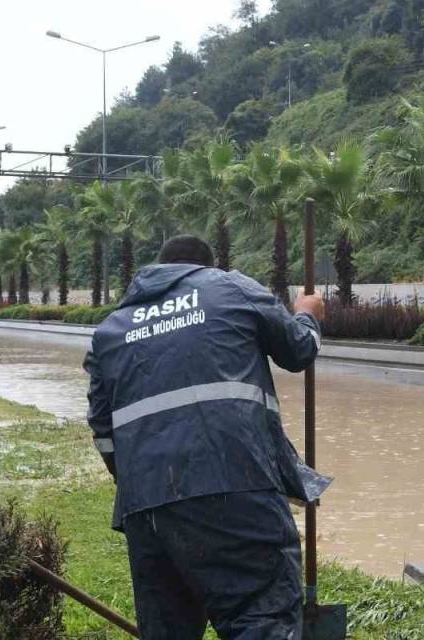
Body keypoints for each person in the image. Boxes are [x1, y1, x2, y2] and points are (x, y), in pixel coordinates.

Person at [83, 234, 327, 640]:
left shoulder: (111, 329)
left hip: (145, 506)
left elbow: (103, 433)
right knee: (259, 615)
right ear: (205, 268)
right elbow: (298, 350)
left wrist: (149, 479)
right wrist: (308, 314)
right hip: (236, 483)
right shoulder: (230, 288)